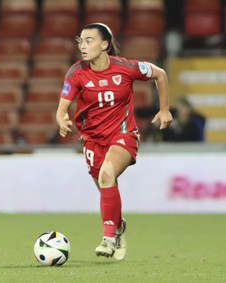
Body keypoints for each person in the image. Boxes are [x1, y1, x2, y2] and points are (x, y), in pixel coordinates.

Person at [56, 23, 173, 260]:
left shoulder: (127, 68)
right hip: (92, 140)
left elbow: (160, 73)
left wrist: (165, 110)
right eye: (81, 41)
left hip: (123, 133)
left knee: (107, 175)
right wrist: (62, 119)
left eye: (89, 40)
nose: (83, 46)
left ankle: (108, 238)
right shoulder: (76, 72)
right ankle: (118, 227)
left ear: (105, 45)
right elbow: (62, 108)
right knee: (106, 187)